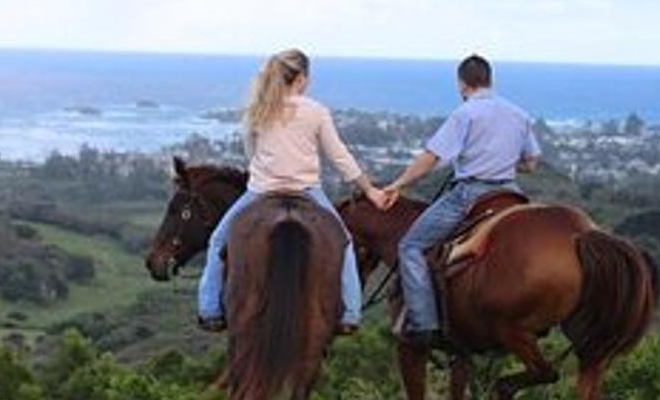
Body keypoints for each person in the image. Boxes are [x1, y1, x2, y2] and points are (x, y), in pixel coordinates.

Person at [196, 49, 371, 334]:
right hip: (307, 191)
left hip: (262, 191)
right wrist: (369, 189)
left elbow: (251, 153)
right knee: (344, 243)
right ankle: (350, 314)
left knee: (218, 241)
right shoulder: (316, 111)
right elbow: (339, 156)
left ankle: (209, 310)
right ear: (301, 78)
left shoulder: (259, 108)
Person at [370, 53, 539, 345]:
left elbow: (431, 158)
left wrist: (398, 184)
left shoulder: (465, 113)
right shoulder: (519, 114)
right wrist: (499, 161)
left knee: (410, 246)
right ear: (490, 80)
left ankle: (424, 324)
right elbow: (531, 163)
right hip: (511, 193)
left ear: (462, 85)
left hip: (471, 193)